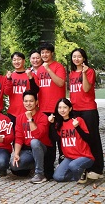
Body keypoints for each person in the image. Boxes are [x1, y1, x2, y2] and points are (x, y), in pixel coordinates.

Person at [69, 48, 104, 179]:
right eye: (74, 56)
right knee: (80, 138)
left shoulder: (89, 71)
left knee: (93, 137)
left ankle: (98, 168)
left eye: (79, 56)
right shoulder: (71, 73)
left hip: (88, 109)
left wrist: (83, 73)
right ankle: (86, 166)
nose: (76, 59)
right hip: (75, 109)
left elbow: (86, 88)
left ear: (84, 58)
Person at [36, 43, 66, 179]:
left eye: (47, 52)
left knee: (59, 139)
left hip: (57, 110)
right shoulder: (39, 69)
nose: (44, 55)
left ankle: (63, 165)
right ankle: (48, 170)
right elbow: (36, 87)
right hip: (43, 110)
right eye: (42, 53)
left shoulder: (58, 67)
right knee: (48, 141)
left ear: (51, 53)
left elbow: (60, 83)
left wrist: (48, 70)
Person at [10, 91, 52, 184]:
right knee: (14, 166)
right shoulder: (19, 118)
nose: (28, 103)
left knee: (34, 142)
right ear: (23, 102)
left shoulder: (43, 117)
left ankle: (40, 174)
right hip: (28, 150)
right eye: (26, 101)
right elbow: (19, 137)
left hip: (42, 148)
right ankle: (34, 165)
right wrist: (16, 154)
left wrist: (30, 119)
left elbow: (37, 135)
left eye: (31, 101)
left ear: (36, 102)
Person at [49, 98, 94, 184]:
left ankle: (82, 170)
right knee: (57, 177)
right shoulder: (59, 124)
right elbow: (56, 139)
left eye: (65, 107)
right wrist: (52, 124)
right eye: (60, 107)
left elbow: (88, 139)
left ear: (70, 109)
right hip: (70, 157)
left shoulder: (78, 120)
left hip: (84, 156)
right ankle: (78, 174)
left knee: (73, 165)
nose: (62, 110)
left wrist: (77, 127)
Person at [3, 52, 39, 127]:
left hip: (28, 112)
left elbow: (35, 91)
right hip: (13, 112)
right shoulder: (10, 76)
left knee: (28, 135)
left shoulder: (31, 74)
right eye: (14, 60)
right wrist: (9, 79)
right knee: (13, 136)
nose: (16, 62)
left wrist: (30, 78)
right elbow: (7, 92)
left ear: (24, 61)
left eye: (19, 59)